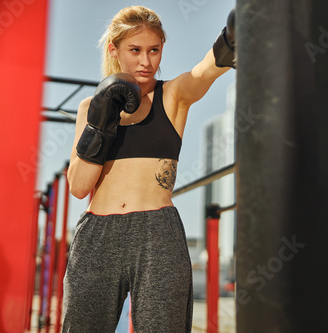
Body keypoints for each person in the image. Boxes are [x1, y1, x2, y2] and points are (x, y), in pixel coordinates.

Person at [62, 5, 235, 333]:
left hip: (157, 232)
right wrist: (101, 123)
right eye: (135, 50)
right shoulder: (90, 107)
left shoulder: (172, 95)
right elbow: (79, 187)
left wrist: (232, 37)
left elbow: (202, 73)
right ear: (114, 50)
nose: (146, 61)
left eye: (154, 50)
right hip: (97, 234)